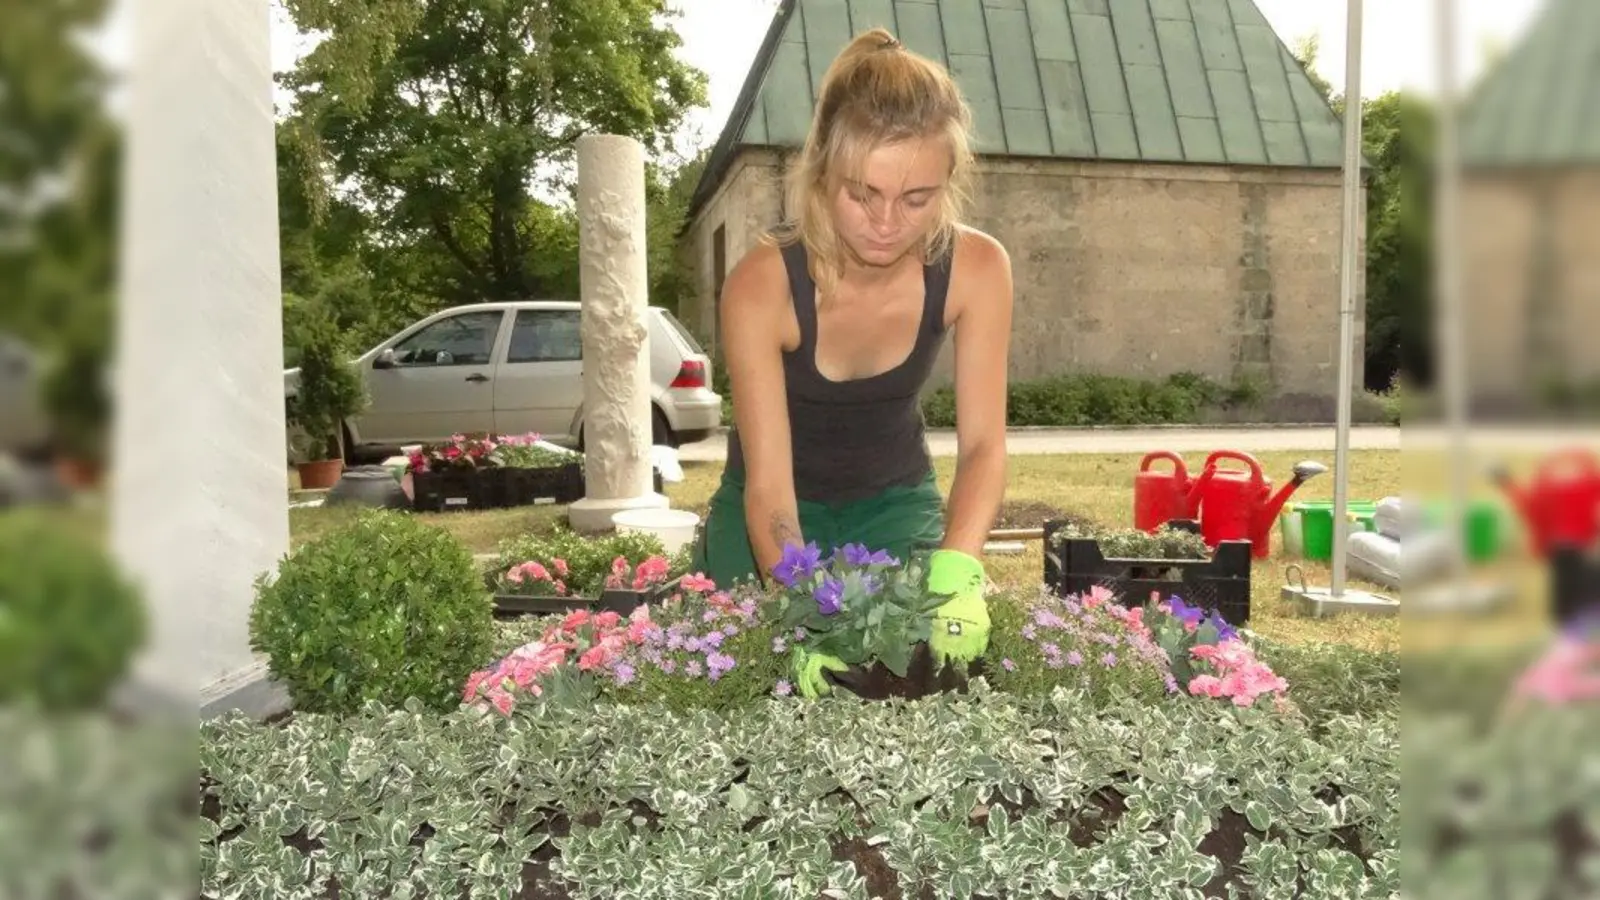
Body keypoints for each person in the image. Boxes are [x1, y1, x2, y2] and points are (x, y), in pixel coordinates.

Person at [689, 28, 1013, 697]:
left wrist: (958, 568)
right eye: (862, 193)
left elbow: (983, 445)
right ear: (821, 174)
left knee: (926, 681)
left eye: (917, 198)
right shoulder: (762, 286)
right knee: (744, 684)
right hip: (774, 517)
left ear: (947, 184)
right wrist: (805, 609)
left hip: (894, 503)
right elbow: (769, 490)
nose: (887, 222)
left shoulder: (978, 269)